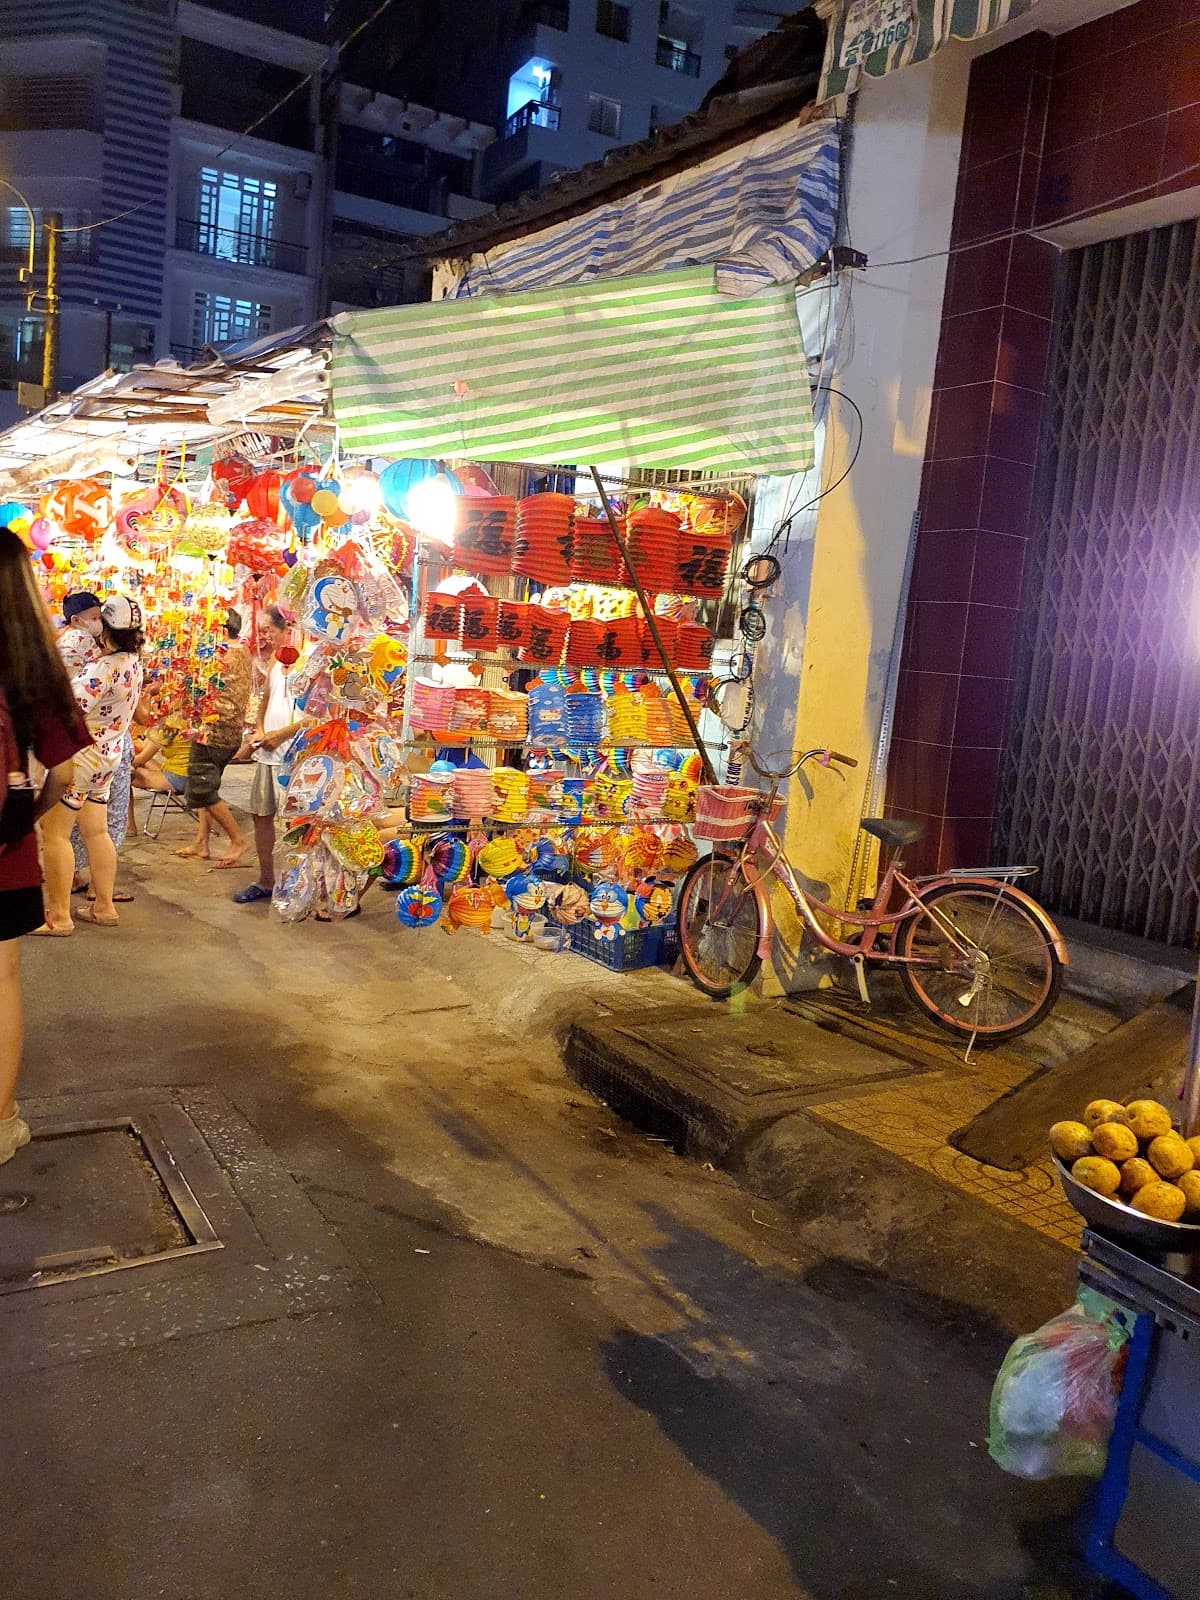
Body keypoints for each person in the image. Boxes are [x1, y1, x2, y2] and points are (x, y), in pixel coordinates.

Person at [0, 529, 91, 1162]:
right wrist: (21, 820)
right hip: (3, 858)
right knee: (1, 980)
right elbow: (64, 775)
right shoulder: (29, 665)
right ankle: (0, 1123)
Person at [39, 595, 145, 931]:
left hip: (81, 758)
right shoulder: (133, 662)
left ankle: (59, 916)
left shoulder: (105, 667)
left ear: (107, 627)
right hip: (107, 757)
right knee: (96, 831)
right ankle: (104, 906)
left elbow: (71, 712)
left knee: (54, 833)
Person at [234, 604, 305, 905]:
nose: (264, 637)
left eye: (269, 631)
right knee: (261, 814)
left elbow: (317, 714)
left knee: (297, 822)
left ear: (287, 628)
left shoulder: (312, 660)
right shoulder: (277, 659)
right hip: (268, 751)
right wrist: (260, 729)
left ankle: (299, 884)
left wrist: (280, 735)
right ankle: (266, 880)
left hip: (296, 753)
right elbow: (264, 697)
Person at [177, 609, 252, 867]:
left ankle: (237, 839)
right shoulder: (243, 651)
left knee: (201, 789)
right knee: (206, 783)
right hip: (231, 731)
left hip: (212, 731)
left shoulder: (218, 655)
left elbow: (195, 689)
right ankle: (202, 842)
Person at [58, 591, 103, 678]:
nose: (99, 622)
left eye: (99, 618)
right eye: (94, 618)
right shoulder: (82, 637)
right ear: (75, 620)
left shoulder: (67, 635)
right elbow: (99, 659)